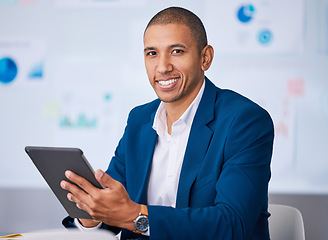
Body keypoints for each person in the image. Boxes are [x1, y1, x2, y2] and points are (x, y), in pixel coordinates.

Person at [61, 6, 274, 240]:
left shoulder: (244, 121)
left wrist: (135, 216)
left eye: (176, 51)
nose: (162, 67)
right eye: (152, 53)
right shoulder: (139, 120)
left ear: (205, 58)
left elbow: (231, 225)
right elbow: (114, 215)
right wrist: (92, 215)